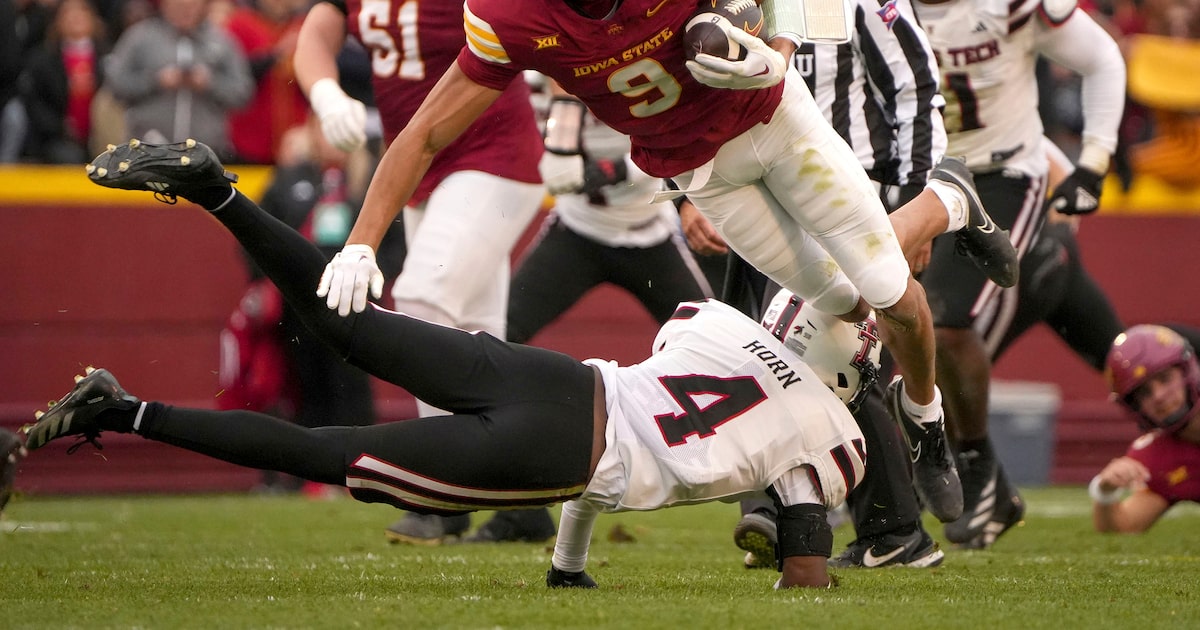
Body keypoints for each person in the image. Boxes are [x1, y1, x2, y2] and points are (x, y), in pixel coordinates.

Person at [34, 138, 880, 589]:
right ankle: (122, 410)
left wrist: (569, 569)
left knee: (353, 325)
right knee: (329, 450)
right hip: (557, 454)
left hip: (560, 380)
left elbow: (636, 431)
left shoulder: (718, 325)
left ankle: (220, 193)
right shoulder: (829, 431)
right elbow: (805, 559)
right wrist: (806, 567)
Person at [312, 4, 1025, 535]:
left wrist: (775, 53)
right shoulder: (515, 16)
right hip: (703, 173)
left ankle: (926, 417)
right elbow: (426, 131)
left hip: (780, 123)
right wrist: (362, 244)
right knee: (843, 305)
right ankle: (947, 201)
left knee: (889, 294)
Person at [678, 0, 954, 569]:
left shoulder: (856, 4)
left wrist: (913, 200)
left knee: (835, 362)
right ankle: (787, 511)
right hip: (756, 194)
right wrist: (691, 191)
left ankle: (887, 526)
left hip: (841, 196)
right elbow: (690, 93)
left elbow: (915, 90)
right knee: (759, 352)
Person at [293, 0, 545, 543]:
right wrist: (326, 92)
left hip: (493, 151)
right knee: (478, 334)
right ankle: (523, 495)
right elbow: (318, 30)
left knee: (424, 298)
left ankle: (443, 487)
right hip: (417, 162)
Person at [911, 0, 1127, 547]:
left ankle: (977, 467)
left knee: (947, 326)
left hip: (1001, 176)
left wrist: (1093, 162)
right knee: (896, 332)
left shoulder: (1007, 7)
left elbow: (1102, 58)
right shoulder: (872, 10)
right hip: (918, 179)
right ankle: (884, 498)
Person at [470, 77, 714, 543]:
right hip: (577, 230)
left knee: (715, 344)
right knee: (498, 342)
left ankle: (771, 504)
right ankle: (518, 508)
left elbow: (668, 144)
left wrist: (604, 170)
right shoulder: (536, 78)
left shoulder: (628, 69)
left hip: (649, 232)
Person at [103, 0, 254, 159]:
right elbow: (114, 84)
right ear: (165, 5)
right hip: (146, 151)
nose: (185, 12)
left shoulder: (222, 41)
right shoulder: (139, 37)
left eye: (191, 7)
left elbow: (243, 92)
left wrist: (209, 83)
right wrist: (155, 81)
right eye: (178, 6)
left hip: (204, 154)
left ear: (203, 7)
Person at [1092, 325, 1200, 533]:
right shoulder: (1157, 455)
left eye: (1165, 378)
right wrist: (1105, 491)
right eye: (1144, 393)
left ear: (1187, 370)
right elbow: (1123, 527)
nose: (1158, 396)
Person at [17, 0, 108, 164]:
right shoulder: (42, 60)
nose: (75, 18)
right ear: (58, 22)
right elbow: (34, 103)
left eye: (82, 12)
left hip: (99, 136)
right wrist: (60, 127)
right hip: (57, 139)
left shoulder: (107, 58)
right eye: (68, 13)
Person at [0, 428, 25, 519]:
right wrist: (7, 455)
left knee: (7, 487)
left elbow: (21, 450)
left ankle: (0, 509)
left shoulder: (11, 439)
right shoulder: (9, 439)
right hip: (4, 459)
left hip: (6, 463)